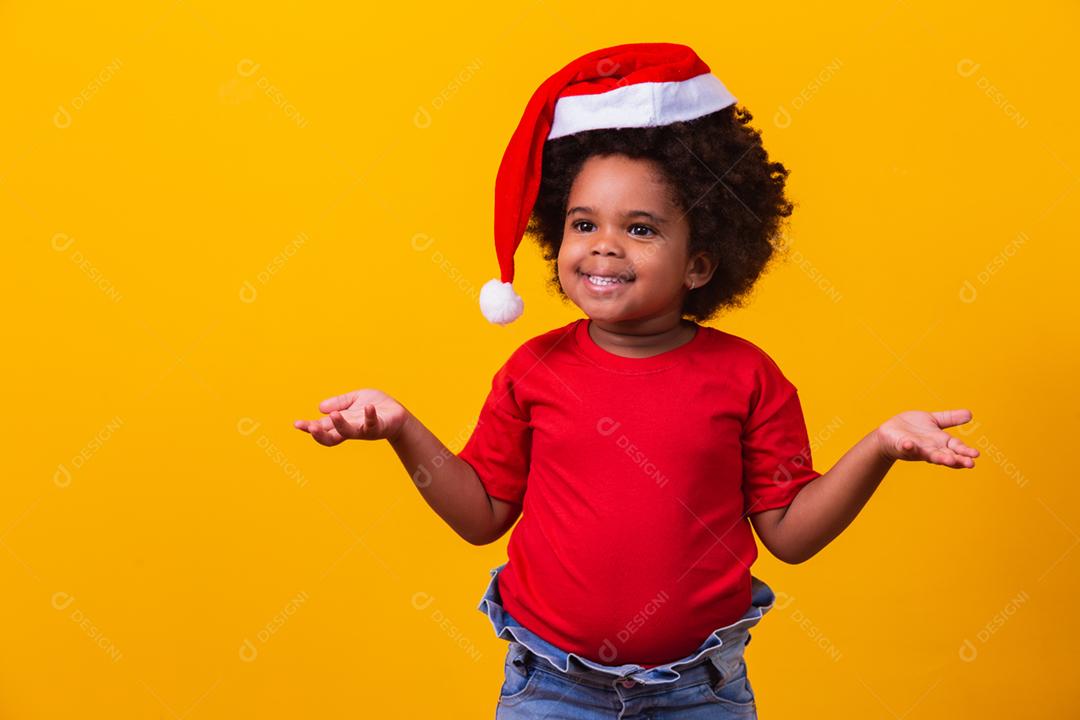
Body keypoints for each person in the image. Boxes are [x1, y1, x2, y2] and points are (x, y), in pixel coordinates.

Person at [293, 42, 979, 719]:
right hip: (551, 687)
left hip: (700, 691)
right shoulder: (533, 370)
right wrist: (400, 428)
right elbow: (481, 517)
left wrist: (881, 445)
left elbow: (791, 535)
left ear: (701, 263)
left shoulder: (748, 378)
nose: (603, 245)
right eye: (583, 222)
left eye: (641, 228)